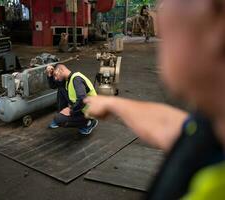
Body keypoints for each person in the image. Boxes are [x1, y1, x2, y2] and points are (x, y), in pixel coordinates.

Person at [84, 0, 225, 199]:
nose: (160, 10)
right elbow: (176, 128)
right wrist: (113, 104)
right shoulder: (214, 122)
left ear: (217, 20)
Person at [46, 63, 98, 135]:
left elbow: (82, 99)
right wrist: (49, 75)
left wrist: (71, 111)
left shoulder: (76, 79)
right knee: (61, 88)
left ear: (60, 70)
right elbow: (53, 86)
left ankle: (88, 122)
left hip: (89, 111)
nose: (55, 78)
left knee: (59, 120)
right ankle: (63, 114)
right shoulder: (67, 80)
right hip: (80, 108)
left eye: (55, 75)